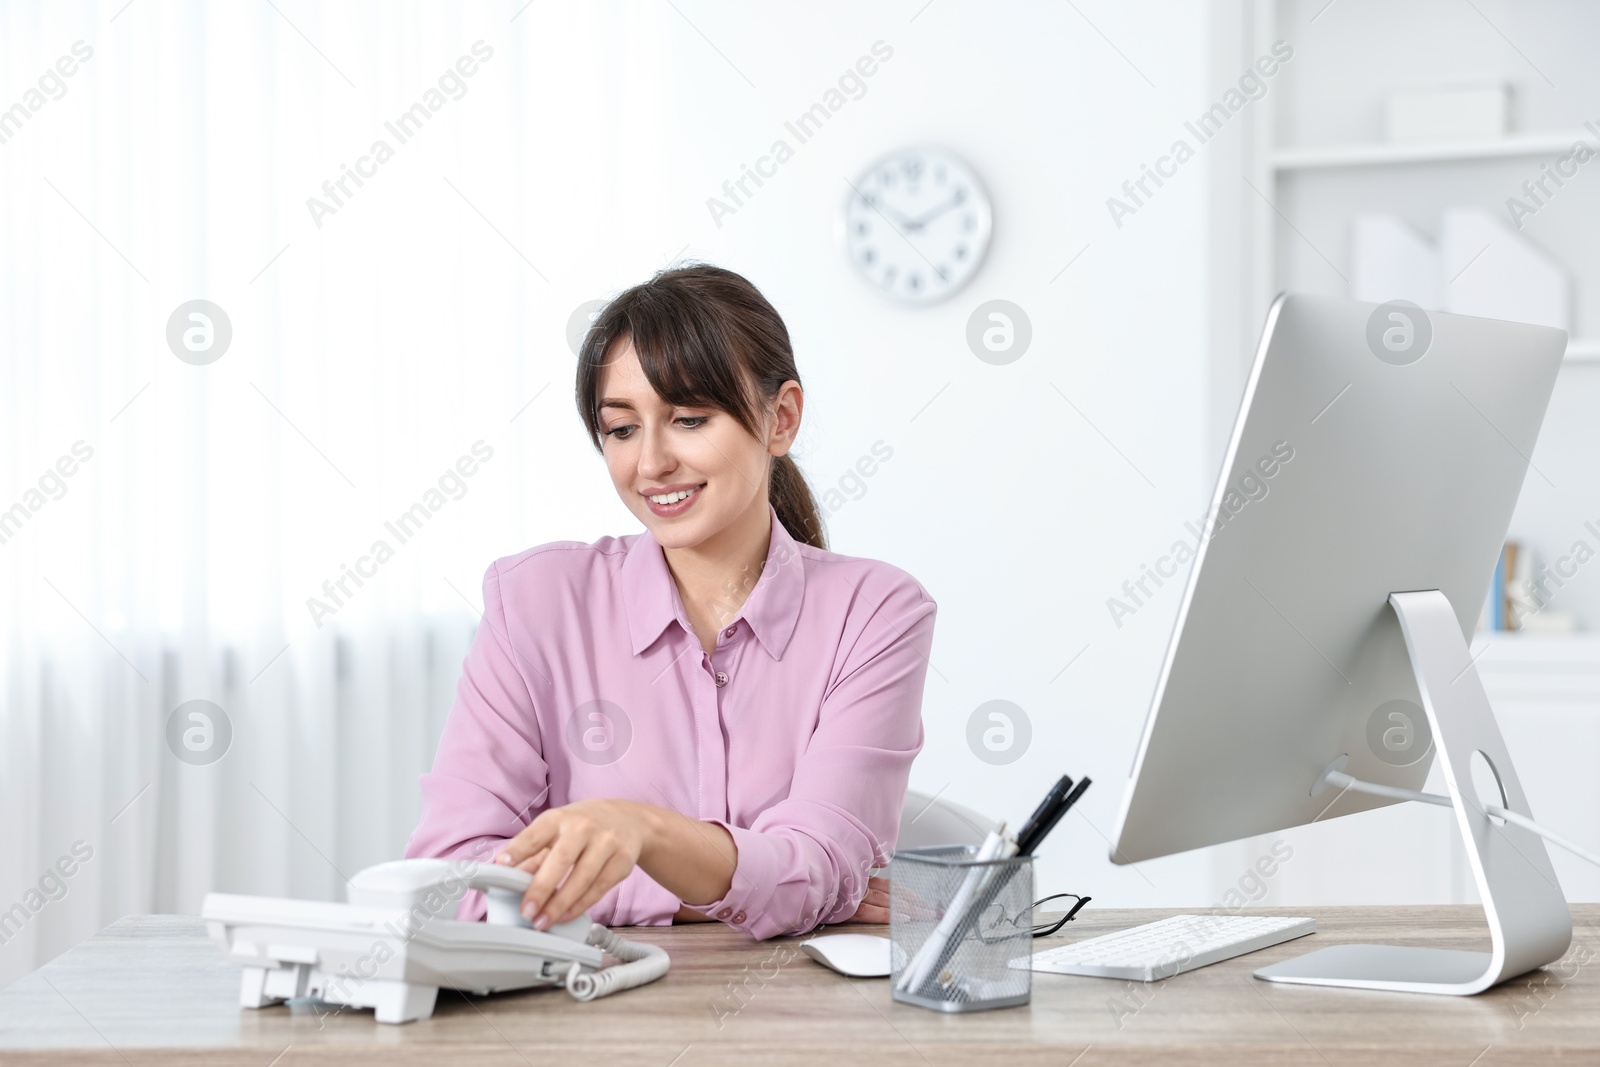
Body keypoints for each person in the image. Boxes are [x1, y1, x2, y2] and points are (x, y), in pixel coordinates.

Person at [405, 263, 937, 939]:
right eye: (622, 428)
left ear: (782, 418)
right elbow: (449, 882)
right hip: (592, 1025)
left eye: (688, 418)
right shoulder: (533, 603)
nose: (650, 463)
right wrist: (753, 886)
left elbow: (822, 862)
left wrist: (641, 832)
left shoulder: (877, 612)